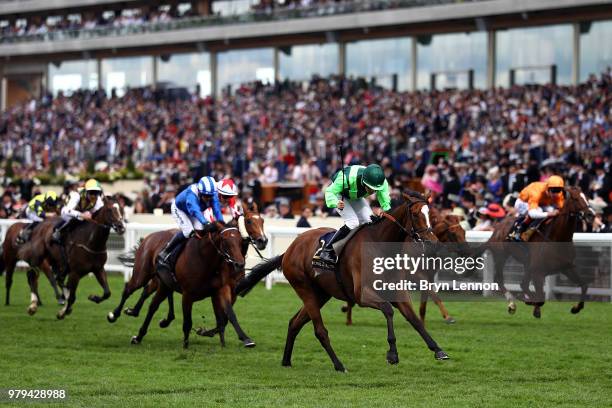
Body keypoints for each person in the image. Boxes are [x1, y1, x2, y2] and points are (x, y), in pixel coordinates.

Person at [318, 164, 391, 263]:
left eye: (375, 189)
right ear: (363, 181)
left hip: (356, 196)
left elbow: (385, 201)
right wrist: (335, 202)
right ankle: (327, 250)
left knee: (369, 220)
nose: (373, 191)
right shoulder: (345, 178)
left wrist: (385, 210)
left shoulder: (380, 182)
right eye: (370, 188)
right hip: (340, 195)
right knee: (353, 222)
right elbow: (329, 192)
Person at [157, 176, 223, 272]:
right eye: (206, 196)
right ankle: (166, 251)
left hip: (195, 211)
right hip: (180, 209)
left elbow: (216, 209)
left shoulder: (213, 194)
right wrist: (205, 222)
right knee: (189, 232)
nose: (208, 198)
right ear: (200, 192)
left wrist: (221, 222)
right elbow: (195, 210)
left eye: (210, 196)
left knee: (201, 231)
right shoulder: (192, 193)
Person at [507, 175, 565, 241]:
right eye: (554, 190)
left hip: (540, 203)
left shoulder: (559, 194)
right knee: (539, 211)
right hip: (523, 202)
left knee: (551, 209)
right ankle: (519, 230)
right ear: (547, 188)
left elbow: (562, 209)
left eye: (559, 190)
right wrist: (549, 214)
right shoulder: (536, 192)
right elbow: (532, 213)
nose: (556, 194)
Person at [52, 179, 104, 244]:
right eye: (91, 192)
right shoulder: (76, 195)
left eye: (96, 193)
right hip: (66, 211)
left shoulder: (98, 198)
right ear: (86, 191)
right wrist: (82, 215)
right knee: (77, 219)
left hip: (82, 211)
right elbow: (68, 211)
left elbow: (101, 211)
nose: (93, 196)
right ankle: (59, 232)